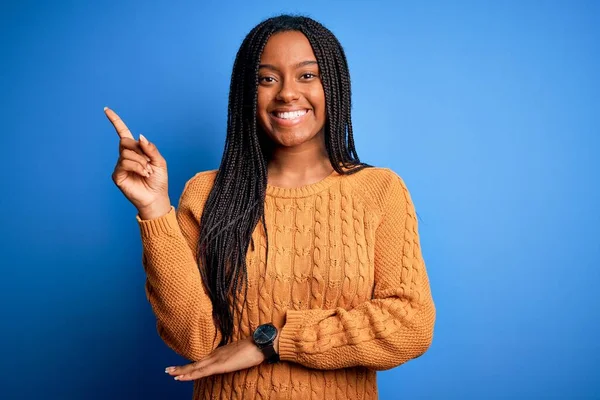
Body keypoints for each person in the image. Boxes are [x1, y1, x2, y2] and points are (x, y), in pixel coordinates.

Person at [105, 14, 435, 400]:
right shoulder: (207, 192)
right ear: (247, 92)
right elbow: (194, 340)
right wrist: (155, 208)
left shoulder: (380, 190)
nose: (287, 93)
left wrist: (272, 341)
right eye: (267, 79)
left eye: (307, 76)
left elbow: (410, 324)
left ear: (335, 85)